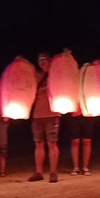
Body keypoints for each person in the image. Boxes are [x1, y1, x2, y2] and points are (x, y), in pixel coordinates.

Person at [29, 53, 60, 182]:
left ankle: (53, 172)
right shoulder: (36, 76)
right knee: (38, 143)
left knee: (52, 143)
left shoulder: (56, 75)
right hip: (37, 115)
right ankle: (38, 172)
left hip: (52, 114)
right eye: (39, 59)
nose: (42, 62)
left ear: (50, 60)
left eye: (44, 59)